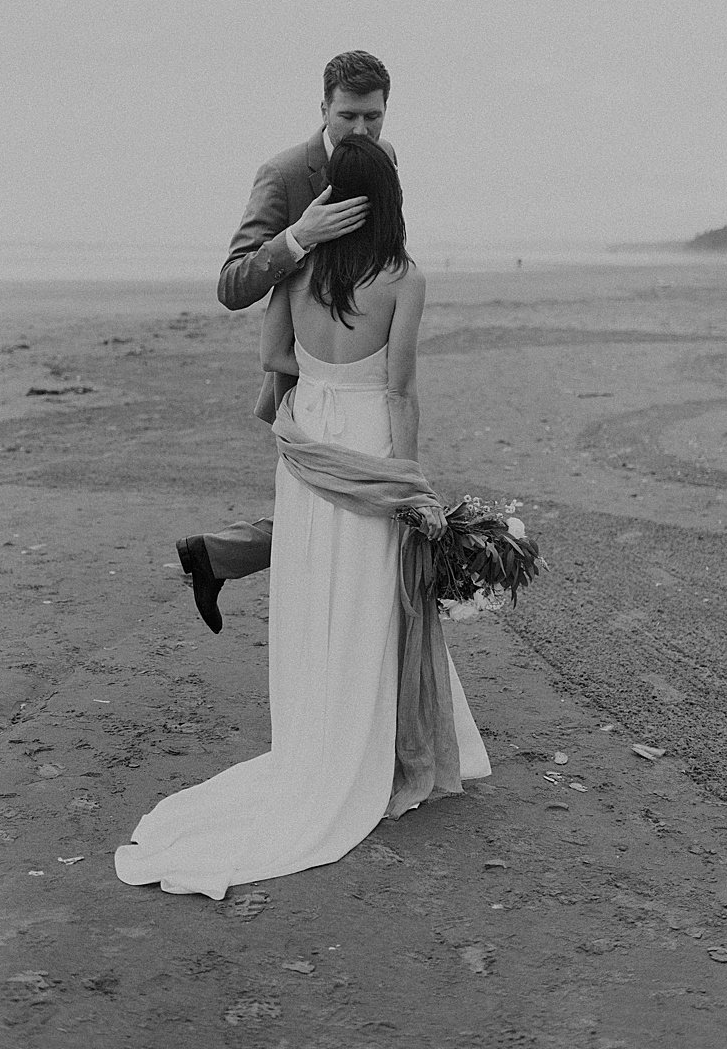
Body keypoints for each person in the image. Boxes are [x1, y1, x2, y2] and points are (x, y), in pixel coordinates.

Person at [115, 136, 489, 898]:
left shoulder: (301, 268)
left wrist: (320, 377)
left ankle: (317, 741)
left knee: (316, 589)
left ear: (332, 201)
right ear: (390, 200)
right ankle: (370, 751)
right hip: (367, 441)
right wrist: (408, 484)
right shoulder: (405, 279)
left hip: (307, 441)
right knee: (370, 596)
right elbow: (401, 389)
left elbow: (273, 354)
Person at [176, 51, 397, 632]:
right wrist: (300, 235)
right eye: (348, 115)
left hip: (362, 373)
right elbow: (231, 284)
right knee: (346, 515)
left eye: (372, 117)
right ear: (323, 108)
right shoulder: (282, 173)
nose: (361, 130)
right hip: (300, 381)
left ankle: (216, 555)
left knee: (342, 515)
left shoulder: (386, 157)